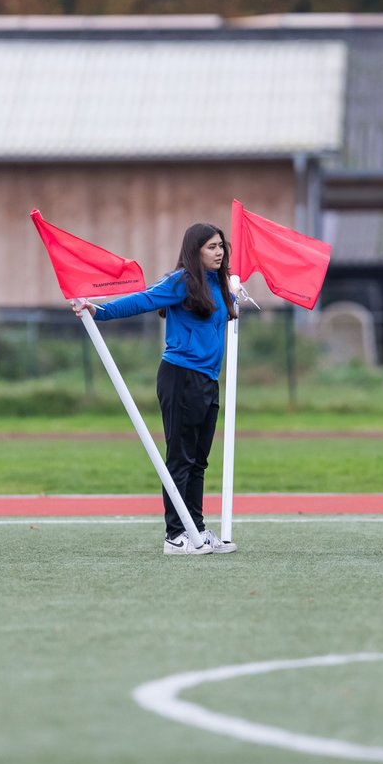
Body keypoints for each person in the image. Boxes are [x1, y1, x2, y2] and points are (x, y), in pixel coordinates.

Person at [72, 223, 237, 556]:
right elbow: (143, 300)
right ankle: (175, 536)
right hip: (181, 377)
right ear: (195, 251)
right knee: (181, 458)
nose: (219, 252)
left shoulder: (219, 284)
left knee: (199, 462)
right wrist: (99, 311)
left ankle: (197, 531)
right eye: (211, 247)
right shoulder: (181, 282)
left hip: (208, 379)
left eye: (221, 246)